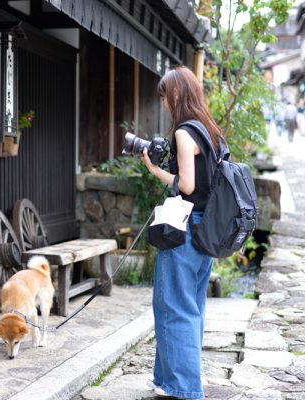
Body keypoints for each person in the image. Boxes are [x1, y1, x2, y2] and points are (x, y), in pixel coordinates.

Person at [141, 65, 222, 399]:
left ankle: (186, 389)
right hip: (207, 230)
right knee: (191, 308)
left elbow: (186, 184)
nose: (164, 104)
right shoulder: (210, 130)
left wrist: (155, 169)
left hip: (185, 231)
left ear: (176, 94)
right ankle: (171, 381)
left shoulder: (184, 133)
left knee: (173, 307)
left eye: (165, 97)